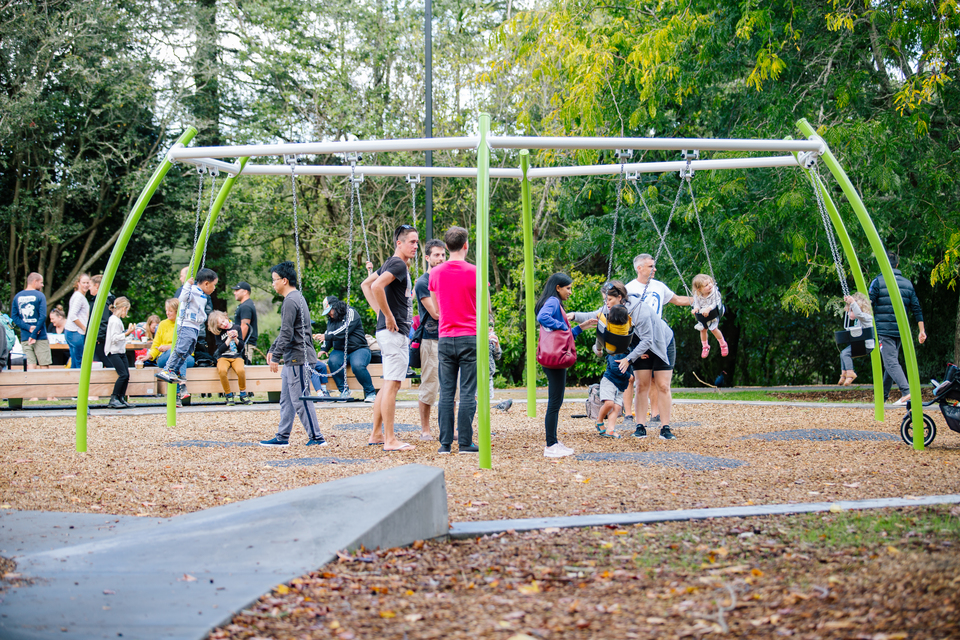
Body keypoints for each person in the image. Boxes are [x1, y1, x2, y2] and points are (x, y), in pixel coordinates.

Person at [361, 224, 419, 452]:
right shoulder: (397, 264)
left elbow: (365, 285)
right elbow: (375, 286)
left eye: (416, 242)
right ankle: (390, 439)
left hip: (387, 332)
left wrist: (380, 313)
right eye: (411, 242)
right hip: (394, 334)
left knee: (387, 384)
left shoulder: (390, 263)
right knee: (393, 385)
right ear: (399, 243)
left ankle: (376, 433)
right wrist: (387, 315)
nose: (415, 246)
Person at [259, 261, 327, 447]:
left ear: (284, 280)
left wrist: (275, 356)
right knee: (287, 400)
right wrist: (274, 349)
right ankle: (282, 437)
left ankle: (317, 437)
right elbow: (286, 330)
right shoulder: (296, 297)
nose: (273, 284)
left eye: (274, 280)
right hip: (293, 358)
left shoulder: (290, 301)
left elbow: (288, 334)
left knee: (300, 399)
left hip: (299, 357)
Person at [428, 226, 481, 455]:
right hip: (470, 335)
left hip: (446, 337)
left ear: (446, 247)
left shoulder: (435, 273)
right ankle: (466, 442)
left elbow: (436, 307)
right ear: (466, 245)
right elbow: (485, 307)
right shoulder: (476, 271)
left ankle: (445, 444)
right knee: (468, 391)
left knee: (446, 393)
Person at [623, 253, 691, 427]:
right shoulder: (629, 289)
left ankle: (664, 426)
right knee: (641, 384)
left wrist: (698, 300)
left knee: (662, 384)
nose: (654, 269)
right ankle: (640, 426)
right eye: (650, 266)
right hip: (640, 339)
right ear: (639, 268)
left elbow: (676, 299)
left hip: (660, 337)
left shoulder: (659, 286)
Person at [535, 272, 598, 458]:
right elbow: (543, 318)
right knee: (554, 403)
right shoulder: (553, 302)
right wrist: (563, 326)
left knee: (556, 402)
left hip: (552, 358)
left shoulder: (554, 302)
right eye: (568, 288)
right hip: (555, 361)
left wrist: (580, 327)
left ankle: (553, 441)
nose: (570, 292)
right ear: (558, 287)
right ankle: (550, 445)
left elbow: (562, 336)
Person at [868, 252, 926, 405]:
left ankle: (907, 391)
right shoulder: (907, 283)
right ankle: (883, 397)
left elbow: (868, 304)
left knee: (890, 362)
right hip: (901, 331)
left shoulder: (878, 281)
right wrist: (922, 331)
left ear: (883, 264)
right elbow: (916, 308)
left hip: (884, 330)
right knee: (891, 361)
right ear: (897, 265)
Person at [156, 268, 218, 385]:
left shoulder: (202, 294)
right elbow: (182, 299)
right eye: (214, 285)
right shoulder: (192, 290)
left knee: (188, 350)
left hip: (195, 326)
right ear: (206, 283)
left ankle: (176, 370)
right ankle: (168, 369)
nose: (214, 288)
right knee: (181, 348)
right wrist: (187, 286)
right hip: (187, 325)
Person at [414, 238, 446, 440]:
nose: (441, 258)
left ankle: (449, 428)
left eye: (443, 254)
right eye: (436, 255)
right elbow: (435, 312)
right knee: (430, 384)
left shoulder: (448, 278)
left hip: (449, 337)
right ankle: (425, 429)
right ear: (427, 257)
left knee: (452, 387)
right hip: (430, 339)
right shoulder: (423, 282)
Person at [314, 295, 375, 401]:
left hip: (358, 348)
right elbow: (329, 332)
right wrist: (324, 348)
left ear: (336, 307)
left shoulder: (351, 312)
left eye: (330, 311)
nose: (329, 314)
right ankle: (344, 391)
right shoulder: (331, 320)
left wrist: (327, 336)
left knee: (358, 366)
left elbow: (344, 330)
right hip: (340, 350)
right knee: (333, 361)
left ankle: (370, 392)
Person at [593, 303, 633, 438]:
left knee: (616, 407)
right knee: (609, 403)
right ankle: (599, 421)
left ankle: (610, 429)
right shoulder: (617, 352)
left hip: (620, 384)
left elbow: (600, 318)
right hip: (610, 381)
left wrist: (601, 313)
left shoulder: (608, 324)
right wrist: (628, 375)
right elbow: (616, 368)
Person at [208, 310, 251, 405]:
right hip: (223, 357)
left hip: (236, 356)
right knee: (222, 371)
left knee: (241, 371)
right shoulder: (219, 333)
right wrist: (228, 339)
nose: (224, 324)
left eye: (224, 321)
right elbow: (220, 350)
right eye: (221, 324)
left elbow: (241, 347)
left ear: (226, 317)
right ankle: (228, 394)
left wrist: (235, 338)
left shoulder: (237, 327)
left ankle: (243, 393)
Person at [11, 272, 51, 371]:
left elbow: (14, 317)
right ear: (35, 281)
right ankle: (44, 386)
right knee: (44, 365)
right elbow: (43, 317)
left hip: (25, 337)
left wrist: (28, 328)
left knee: (31, 366)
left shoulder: (17, 296)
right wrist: (34, 332)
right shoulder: (40, 295)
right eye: (41, 282)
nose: (42, 285)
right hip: (40, 336)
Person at [837, 292, 875, 386]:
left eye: (851, 311)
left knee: (845, 353)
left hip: (866, 346)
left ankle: (851, 373)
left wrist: (853, 302)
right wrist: (848, 302)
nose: (848, 314)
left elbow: (858, 314)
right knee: (843, 354)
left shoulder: (865, 317)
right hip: (860, 344)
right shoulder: (858, 320)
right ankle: (844, 373)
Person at [104, 297, 133, 409]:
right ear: (124, 308)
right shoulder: (114, 320)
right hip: (113, 351)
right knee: (123, 375)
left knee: (126, 375)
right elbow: (114, 338)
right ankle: (114, 397)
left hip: (120, 351)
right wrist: (127, 333)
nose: (126, 313)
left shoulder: (117, 320)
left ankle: (121, 398)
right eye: (127, 310)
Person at [690, 273, 728, 358]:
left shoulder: (714, 292)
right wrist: (695, 309)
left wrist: (709, 308)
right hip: (704, 314)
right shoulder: (698, 295)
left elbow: (715, 303)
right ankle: (705, 346)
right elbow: (697, 304)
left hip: (714, 312)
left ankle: (723, 344)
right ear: (699, 289)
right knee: (703, 330)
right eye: (706, 285)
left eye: (710, 283)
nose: (710, 286)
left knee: (713, 329)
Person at [64, 273, 91, 369]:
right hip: (75, 332)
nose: (86, 285)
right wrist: (84, 328)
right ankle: (78, 383)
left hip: (73, 332)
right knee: (79, 361)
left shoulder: (79, 296)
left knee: (75, 360)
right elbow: (72, 315)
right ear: (78, 283)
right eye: (83, 282)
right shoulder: (79, 297)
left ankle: (74, 381)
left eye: (88, 283)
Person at [88, 274, 115, 364]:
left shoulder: (103, 301)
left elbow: (104, 320)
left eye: (90, 285)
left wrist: (99, 338)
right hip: (103, 338)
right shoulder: (103, 299)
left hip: (101, 340)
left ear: (97, 286)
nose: (89, 288)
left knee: (103, 361)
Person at [232, 281, 259, 363]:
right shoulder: (245, 305)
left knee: (244, 368)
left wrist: (238, 344)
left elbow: (244, 326)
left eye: (237, 290)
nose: (234, 293)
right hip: (245, 344)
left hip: (245, 345)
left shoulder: (246, 306)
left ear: (245, 292)